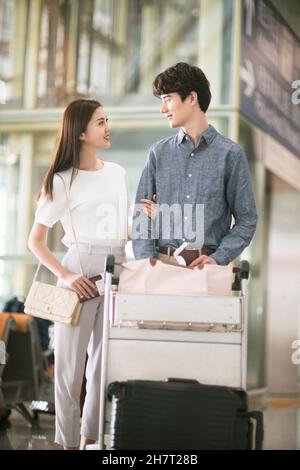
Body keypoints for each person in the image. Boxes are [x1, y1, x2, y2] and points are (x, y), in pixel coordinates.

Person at [28, 99, 128, 450]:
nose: (107, 127)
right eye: (101, 122)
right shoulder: (62, 181)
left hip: (117, 270)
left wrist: (143, 219)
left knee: (104, 365)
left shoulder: (117, 172)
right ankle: (69, 442)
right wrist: (67, 277)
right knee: (70, 367)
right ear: (81, 132)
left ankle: (90, 438)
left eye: (107, 120)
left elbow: (118, 228)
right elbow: (35, 241)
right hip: (79, 271)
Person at [133, 62, 257, 267]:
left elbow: (247, 220)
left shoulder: (230, 155)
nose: (163, 109)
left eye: (167, 99)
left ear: (192, 98)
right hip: (162, 267)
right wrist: (148, 263)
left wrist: (218, 258)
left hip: (207, 270)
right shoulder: (158, 153)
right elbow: (141, 216)